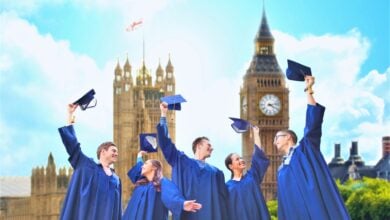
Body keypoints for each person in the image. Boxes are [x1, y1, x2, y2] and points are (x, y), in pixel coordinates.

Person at [274, 76, 350, 220]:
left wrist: (309, 90)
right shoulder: (281, 170)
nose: (274, 142)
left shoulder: (305, 150)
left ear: (288, 137)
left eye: (277, 137)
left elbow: (312, 124)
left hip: (316, 211)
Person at [156, 102, 229, 220]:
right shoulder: (181, 161)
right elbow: (166, 143)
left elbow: (225, 201)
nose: (212, 148)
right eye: (208, 145)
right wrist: (163, 115)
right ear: (199, 146)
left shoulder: (216, 173)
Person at [58, 104, 122, 220]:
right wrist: (70, 115)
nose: (116, 154)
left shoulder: (116, 180)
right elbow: (73, 146)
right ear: (103, 151)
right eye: (113, 150)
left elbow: (117, 212)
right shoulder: (87, 166)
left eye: (117, 152)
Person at [122, 151, 202, 220]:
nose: (142, 166)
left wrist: (182, 204)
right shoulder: (141, 182)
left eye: (146, 163)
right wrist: (139, 156)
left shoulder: (161, 183)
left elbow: (171, 195)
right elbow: (139, 169)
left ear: (154, 167)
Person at [224, 126, 270, 220]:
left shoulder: (252, 177)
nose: (241, 160)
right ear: (231, 166)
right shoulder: (226, 188)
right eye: (237, 159)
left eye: (241, 158)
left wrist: (256, 134)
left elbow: (258, 157)